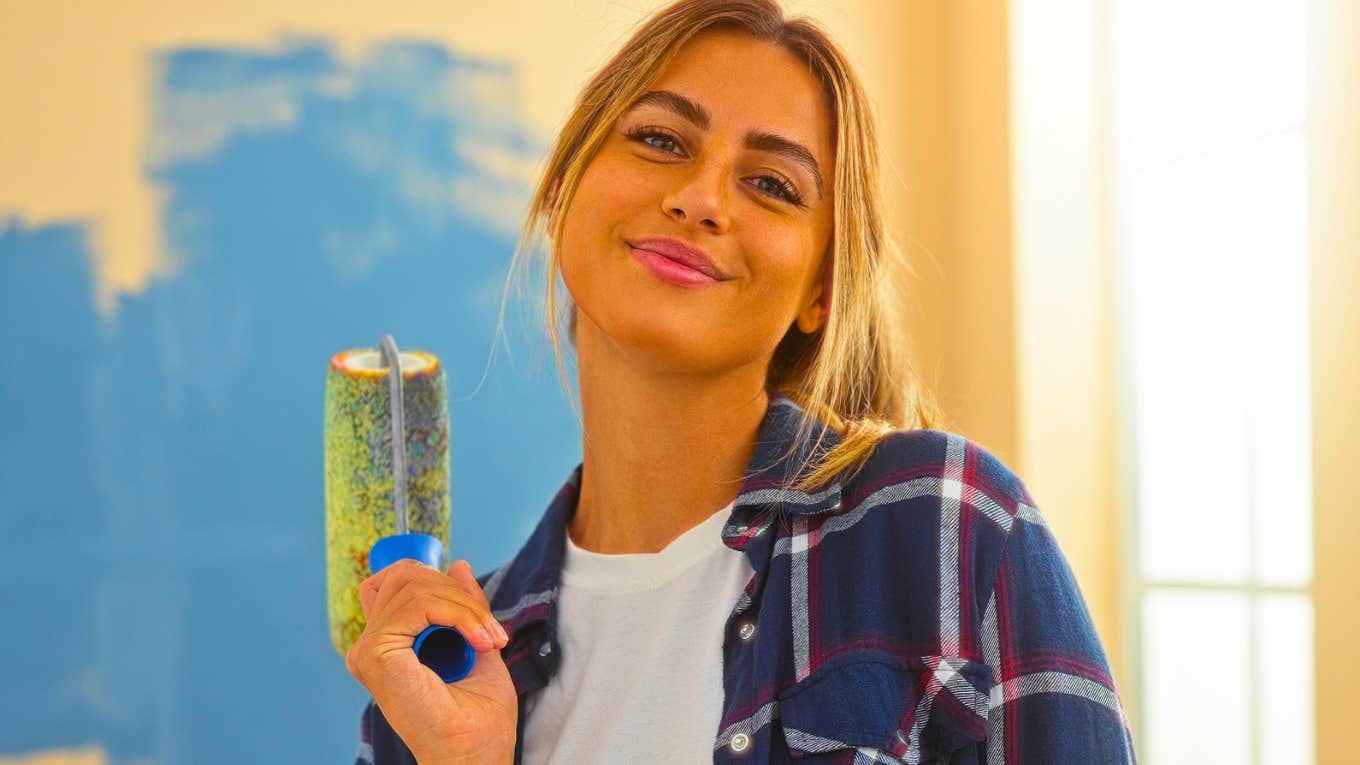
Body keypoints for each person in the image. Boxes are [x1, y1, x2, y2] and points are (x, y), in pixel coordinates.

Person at [345, 0, 1139, 763]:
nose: (699, 199)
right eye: (660, 139)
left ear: (821, 290)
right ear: (561, 190)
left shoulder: (948, 528)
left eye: (773, 185)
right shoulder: (439, 668)